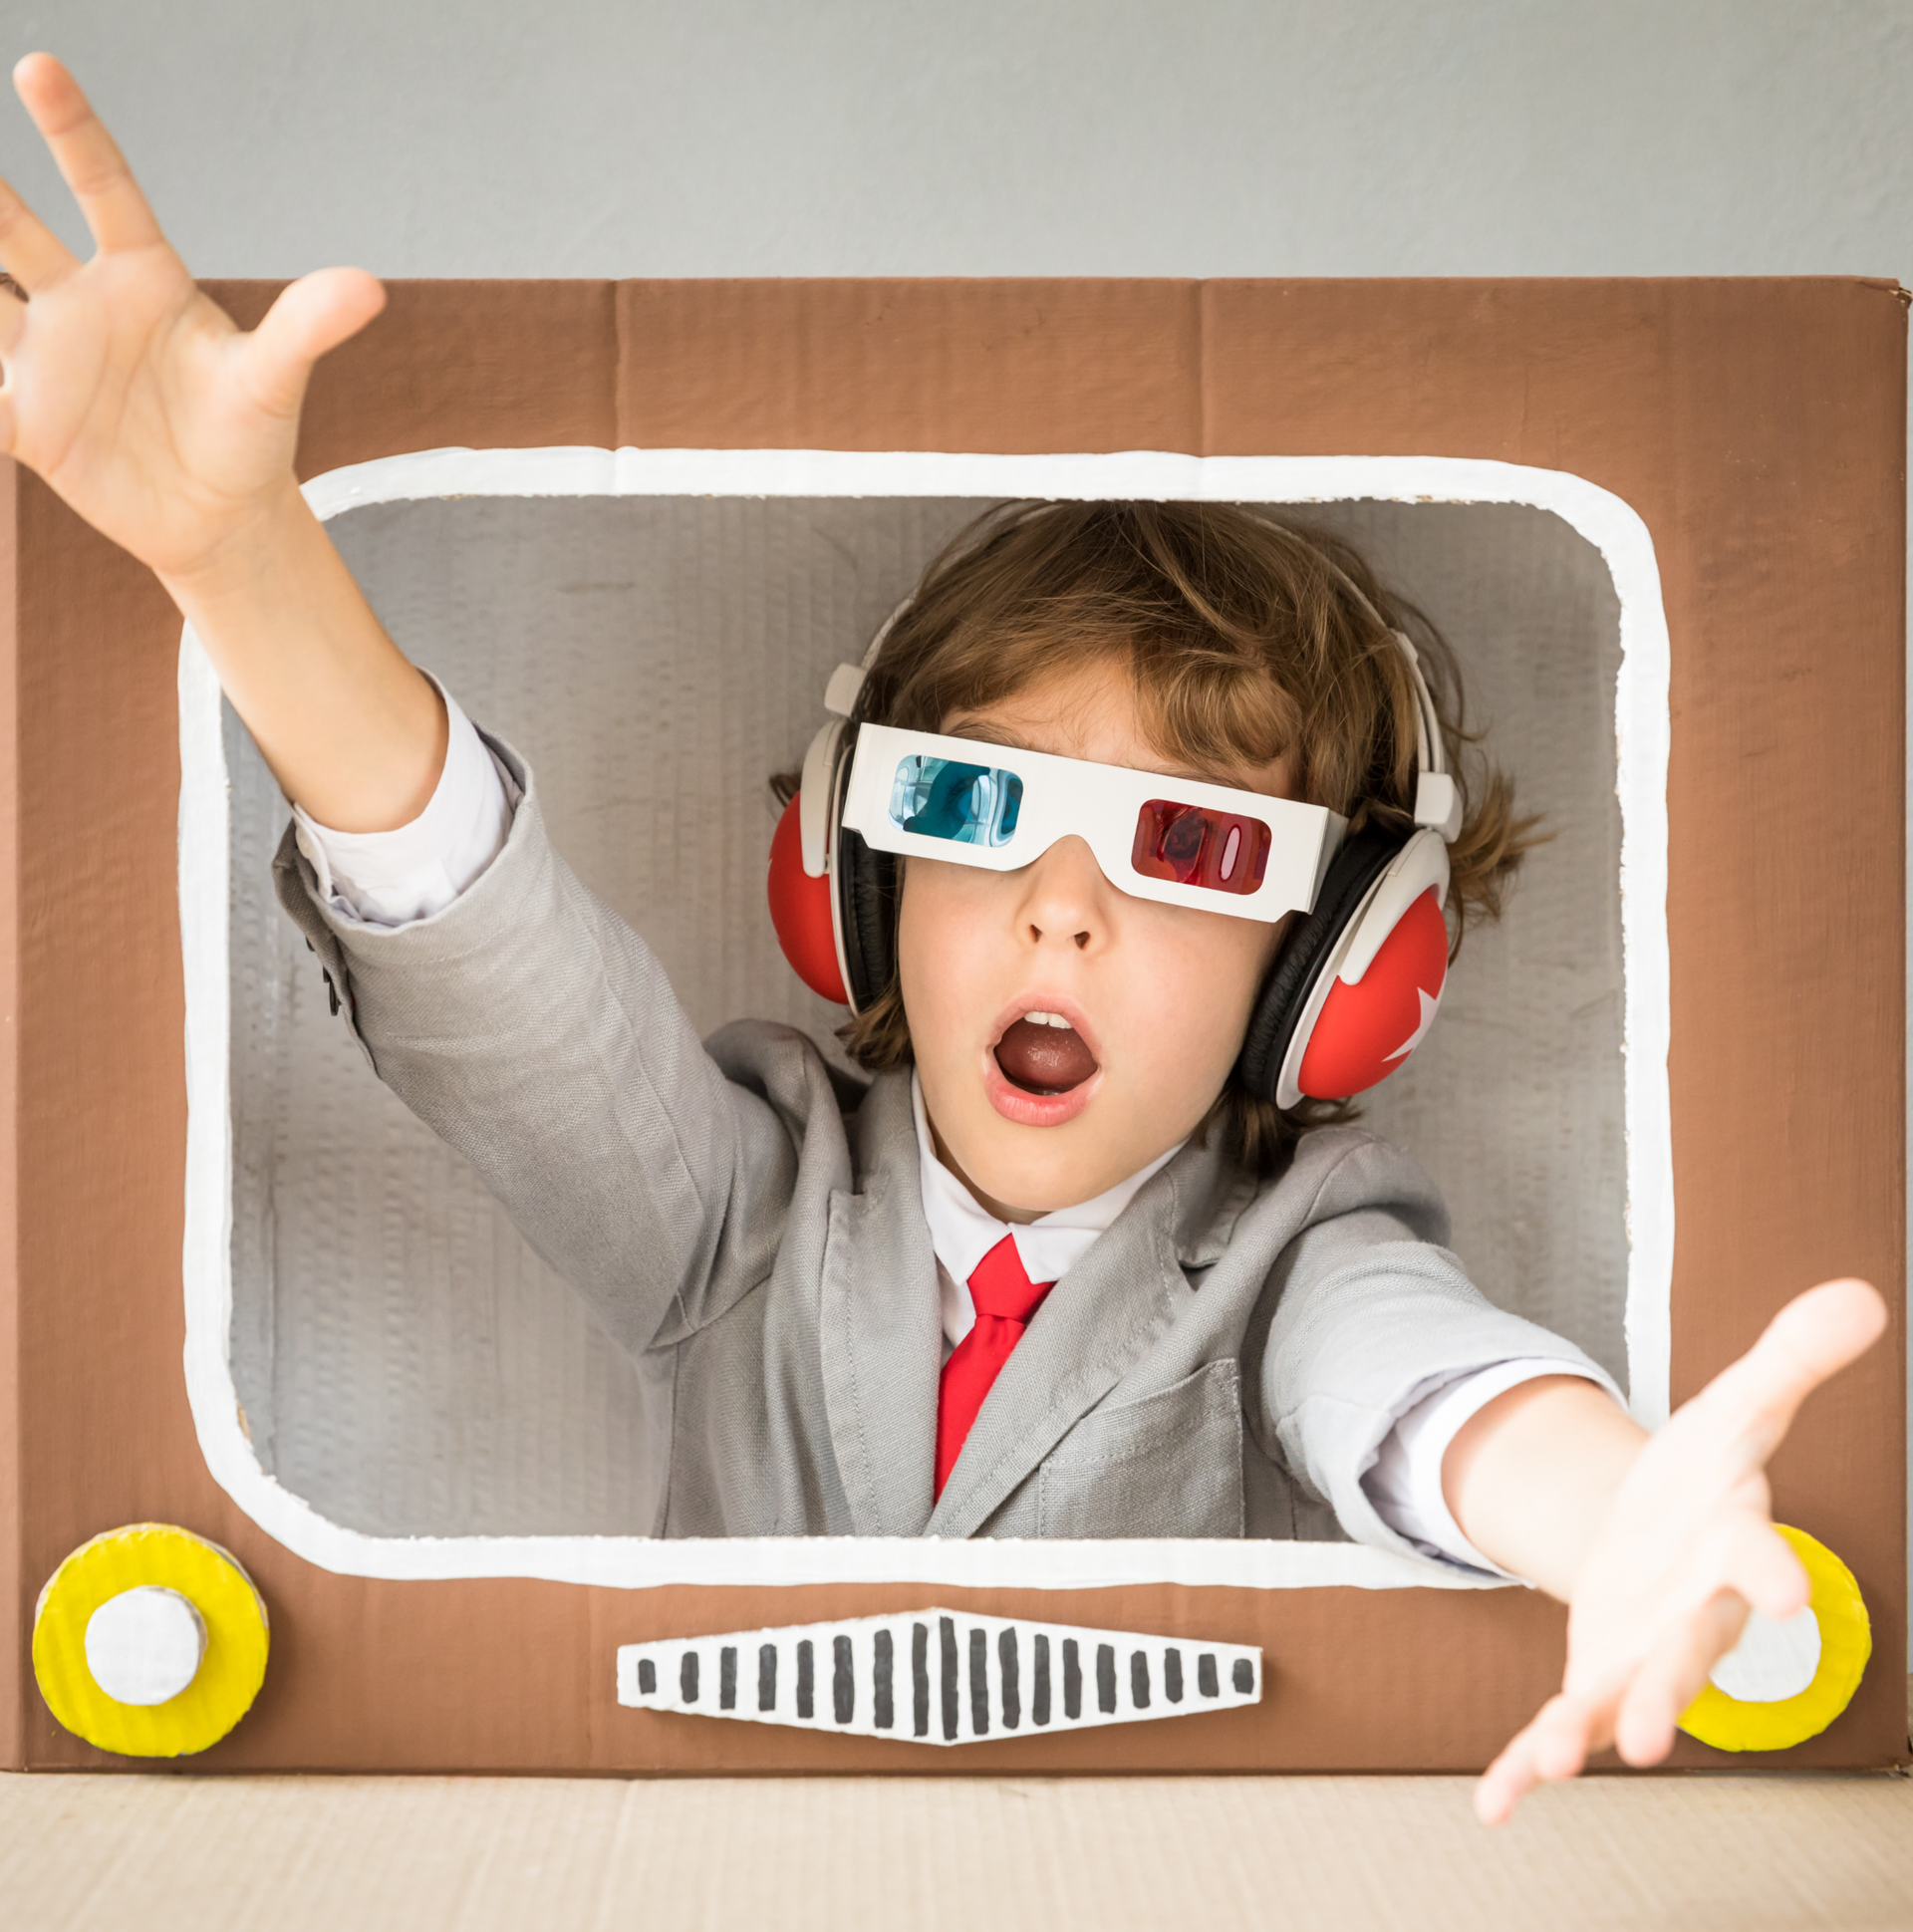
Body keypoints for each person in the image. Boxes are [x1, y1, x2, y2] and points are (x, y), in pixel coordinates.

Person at [0, 53, 1885, 1824]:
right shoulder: (743, 1207)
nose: (1064, 904)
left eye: (1193, 841)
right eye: (978, 812)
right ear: (857, 870)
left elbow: (1428, 1390)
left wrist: (1612, 1511)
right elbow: (508, 980)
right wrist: (238, 560)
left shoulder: (1302, 1258)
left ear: (1336, 968)